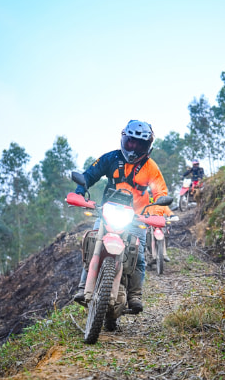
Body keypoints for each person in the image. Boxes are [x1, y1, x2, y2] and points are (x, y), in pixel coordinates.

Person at [71, 120, 170, 314]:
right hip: (107, 212)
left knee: (138, 255)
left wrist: (155, 214)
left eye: (139, 144)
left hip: (136, 218)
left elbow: (160, 192)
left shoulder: (151, 167)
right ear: (124, 139)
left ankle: (135, 295)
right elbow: (89, 175)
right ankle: (83, 286)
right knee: (92, 243)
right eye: (131, 142)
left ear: (147, 146)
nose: (134, 148)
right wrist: (79, 192)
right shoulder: (110, 158)